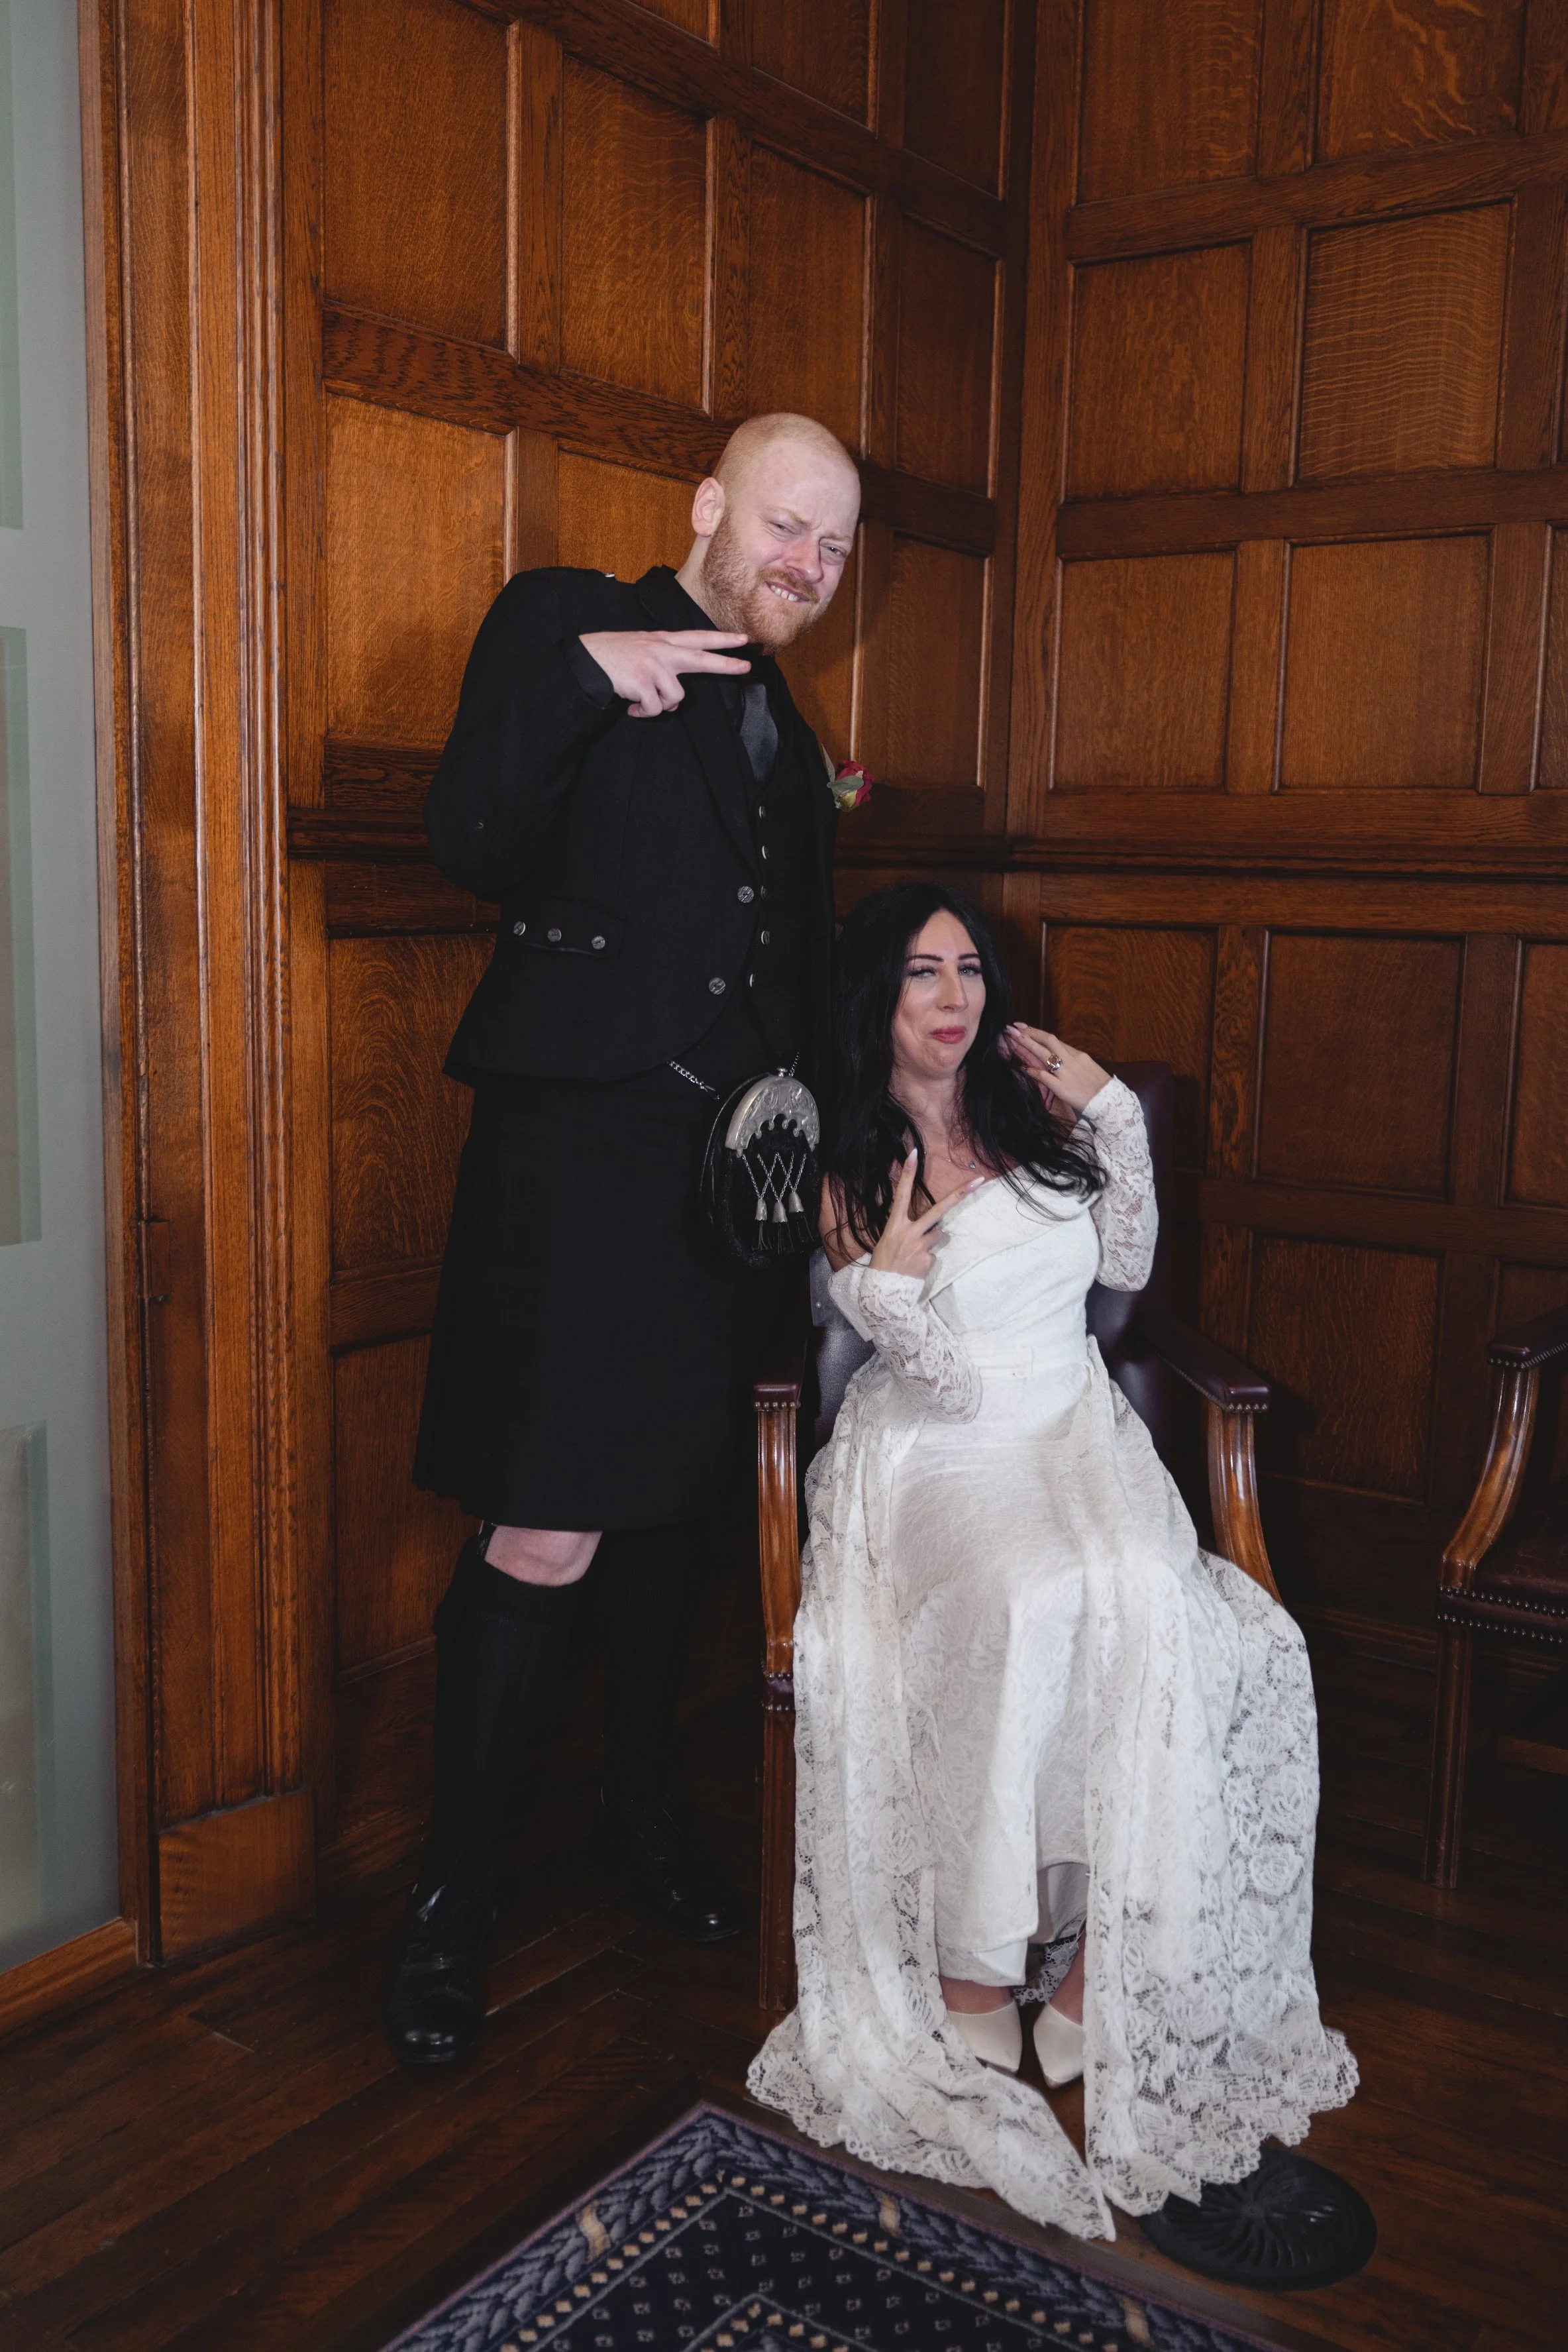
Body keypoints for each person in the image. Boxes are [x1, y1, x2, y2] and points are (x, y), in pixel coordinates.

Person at [748, 882, 1357, 2236]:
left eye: (970, 968)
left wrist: (1117, 1123)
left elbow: (1120, 1262)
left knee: (1163, 1603)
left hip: (1073, 1421)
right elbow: (930, 1374)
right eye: (922, 971)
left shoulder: (1035, 1118)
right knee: (1028, 1598)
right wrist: (887, 1281)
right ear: (878, 999)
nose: (955, 994)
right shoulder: (853, 1165)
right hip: (937, 1447)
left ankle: (1086, 1966)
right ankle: (975, 1964)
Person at [384, 413, 862, 2065]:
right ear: (712, 505)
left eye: (832, 548)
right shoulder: (558, 619)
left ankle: (636, 1819)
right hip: (581, 1158)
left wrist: (819, 1156)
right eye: (788, 525)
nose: (805, 563)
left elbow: (795, 963)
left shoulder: (793, 739)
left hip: (724, 1183)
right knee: (549, 1527)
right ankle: (447, 1901)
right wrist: (588, 672)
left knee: (673, 1525)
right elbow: (467, 837)